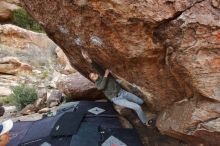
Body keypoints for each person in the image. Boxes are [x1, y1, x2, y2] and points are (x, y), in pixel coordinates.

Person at [82, 50, 151, 126]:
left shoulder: (101, 75)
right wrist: (105, 75)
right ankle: (145, 122)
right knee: (137, 107)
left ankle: (137, 106)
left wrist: (89, 60)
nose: (94, 75)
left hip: (122, 92)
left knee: (140, 101)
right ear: (93, 80)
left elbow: (96, 67)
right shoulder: (98, 84)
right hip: (117, 99)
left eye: (94, 74)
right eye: (92, 77)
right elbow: (102, 86)